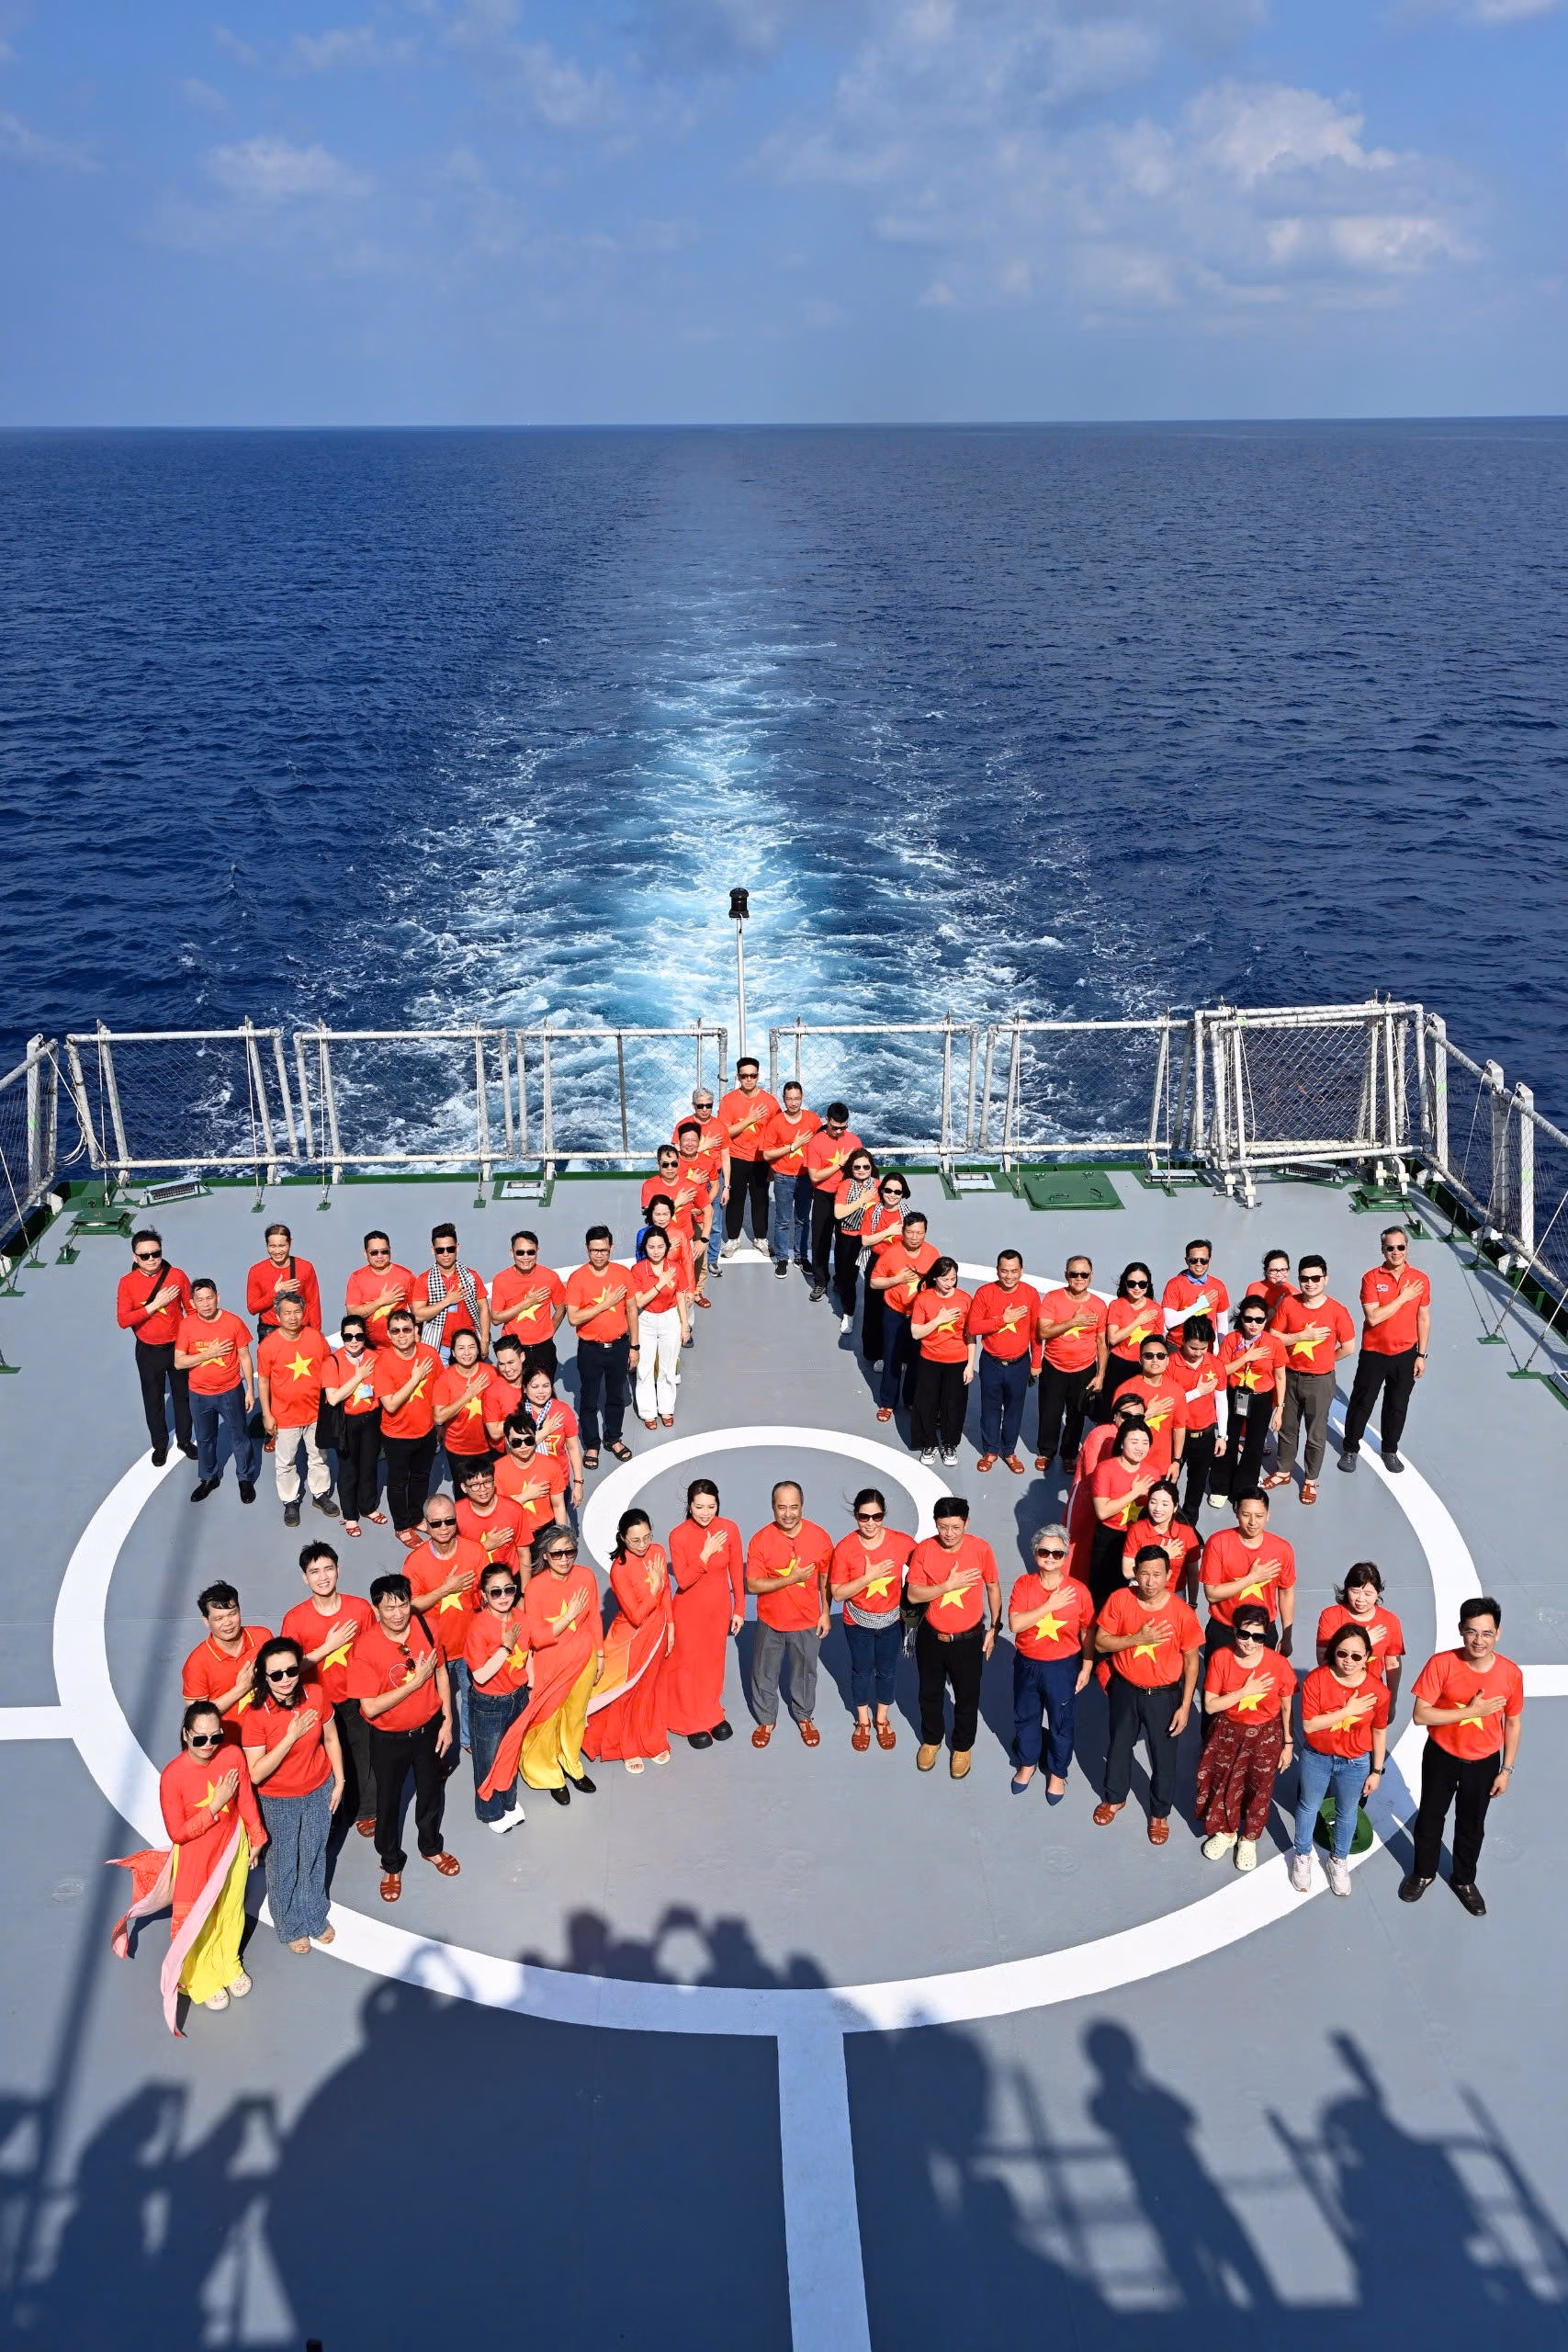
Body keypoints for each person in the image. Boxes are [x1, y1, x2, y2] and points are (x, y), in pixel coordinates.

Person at [119, 1702, 266, 2029]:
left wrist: (256, 1835)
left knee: (230, 1910)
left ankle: (228, 1963)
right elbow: (178, 1833)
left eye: (216, 1736)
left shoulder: (232, 1755)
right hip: (197, 1859)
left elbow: (245, 1798)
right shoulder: (173, 1777)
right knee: (199, 1918)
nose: (208, 1745)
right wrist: (215, 1805)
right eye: (200, 1738)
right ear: (186, 1735)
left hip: (233, 1846)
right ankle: (199, 1978)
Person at [1401, 1597, 1524, 1916]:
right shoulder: (1441, 1664)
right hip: (1441, 1757)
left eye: (1487, 1633)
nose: (1479, 1640)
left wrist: (1507, 1769)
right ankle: (1423, 1872)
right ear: (1460, 1630)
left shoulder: (1510, 1674)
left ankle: (1464, 1880)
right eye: (1472, 1632)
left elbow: (1512, 1723)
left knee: (1472, 1825)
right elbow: (1420, 1715)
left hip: (1484, 1763)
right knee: (1430, 1817)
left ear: (1498, 1634)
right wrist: (1471, 1712)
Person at [348, 1573, 459, 1902]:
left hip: (428, 1731)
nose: (398, 1614)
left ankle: (431, 1847)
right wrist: (414, 1684)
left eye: (403, 1605)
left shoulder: (428, 1627)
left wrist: (447, 1721)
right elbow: (369, 1707)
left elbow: (441, 1672)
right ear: (376, 1609)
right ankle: (391, 1863)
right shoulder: (364, 1648)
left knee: (431, 1793)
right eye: (389, 1608)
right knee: (388, 1802)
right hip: (389, 1739)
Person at [477, 1530, 604, 1807]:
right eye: (557, 1553)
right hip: (551, 1663)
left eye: (570, 1552)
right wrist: (568, 1616)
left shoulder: (586, 1576)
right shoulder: (535, 1588)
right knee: (547, 1719)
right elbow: (537, 1637)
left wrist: (600, 1655)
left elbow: (594, 1617)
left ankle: (571, 1763)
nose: (564, 1559)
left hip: (584, 1659)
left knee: (575, 1717)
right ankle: (549, 1774)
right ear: (545, 1556)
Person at [1093, 1546, 1202, 1845]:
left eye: (1157, 1574)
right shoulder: (1120, 1599)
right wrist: (1138, 1639)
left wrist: (1185, 1706)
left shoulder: (1182, 1613)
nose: (1150, 1581)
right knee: (1118, 1746)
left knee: (1164, 1757)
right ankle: (1115, 1797)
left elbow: (1192, 1662)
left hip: (1164, 1697)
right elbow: (1101, 1642)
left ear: (1169, 1575)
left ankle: (1159, 1813)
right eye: (1144, 1573)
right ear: (1135, 1573)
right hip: (1125, 1690)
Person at [243, 1637, 344, 1955]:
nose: (285, 1679)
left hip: (318, 1789)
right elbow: (256, 1773)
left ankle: (314, 1914)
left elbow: (331, 1738)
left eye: (291, 1671)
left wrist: (340, 1780)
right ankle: (289, 1924)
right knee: (283, 1862)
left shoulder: (315, 1694)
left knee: (314, 1853)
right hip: (278, 1801)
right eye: (276, 1675)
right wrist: (290, 1737)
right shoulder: (255, 1716)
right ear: (264, 1677)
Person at [281, 1543, 378, 1838]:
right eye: (314, 1571)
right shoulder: (295, 1619)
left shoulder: (360, 1609)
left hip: (355, 1697)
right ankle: (331, 1814)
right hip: (315, 1703)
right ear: (304, 1578)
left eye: (328, 1569)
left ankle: (365, 1810)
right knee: (322, 1761)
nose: (322, 1577)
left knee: (362, 1754)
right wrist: (329, 1647)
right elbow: (289, 1668)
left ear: (338, 1570)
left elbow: (374, 1650)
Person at [906, 1497, 1001, 1780]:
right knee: (929, 1693)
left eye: (956, 1527)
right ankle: (932, 1740)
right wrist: (948, 1585)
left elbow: (993, 1587)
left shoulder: (981, 1549)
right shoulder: (924, 1550)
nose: (949, 1533)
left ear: (966, 1523)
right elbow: (913, 1594)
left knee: (967, 1696)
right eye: (943, 1527)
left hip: (968, 1640)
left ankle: (962, 1747)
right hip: (931, 1638)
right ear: (936, 1523)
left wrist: (994, 1628)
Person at [1292, 1623, 1389, 1896]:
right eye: (1342, 1653)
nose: (1349, 1661)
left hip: (1355, 1762)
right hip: (1317, 1757)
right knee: (1308, 1806)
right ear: (1333, 1652)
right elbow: (1309, 1725)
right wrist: (1348, 1711)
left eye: (1357, 1656)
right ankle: (1302, 1855)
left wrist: (1376, 1771)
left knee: (1347, 1812)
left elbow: (1379, 1731)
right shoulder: (1316, 1680)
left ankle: (1338, 1860)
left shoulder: (1378, 1691)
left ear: (1367, 1656)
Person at [1195, 1605, 1295, 1869]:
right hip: (1228, 1732)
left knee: (1259, 1788)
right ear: (1234, 1631)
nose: (1250, 1642)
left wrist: (1288, 1743)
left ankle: (1249, 1838)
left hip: (1265, 1735)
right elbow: (1210, 1706)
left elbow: (1287, 1708)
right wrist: (1244, 1692)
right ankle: (1227, 1832)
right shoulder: (1221, 1658)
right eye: (1244, 1634)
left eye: (1258, 1637)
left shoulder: (1278, 1664)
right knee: (1224, 1782)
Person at [583, 1510, 675, 1773]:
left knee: (651, 1689)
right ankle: (628, 1746)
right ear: (623, 1538)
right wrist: (654, 1587)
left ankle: (652, 1739)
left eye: (647, 1537)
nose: (643, 1545)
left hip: (658, 1632)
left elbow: (667, 1593)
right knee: (627, 1692)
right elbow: (635, 1616)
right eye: (635, 1540)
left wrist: (671, 1626)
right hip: (630, 1639)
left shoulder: (658, 1552)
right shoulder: (619, 1568)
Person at [1007, 1524, 1093, 1799]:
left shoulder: (1079, 1591)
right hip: (1027, 1663)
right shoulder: (1024, 1585)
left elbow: (1087, 1630)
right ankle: (1027, 1763)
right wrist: (1049, 1606)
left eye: (1057, 1553)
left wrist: (1087, 1665)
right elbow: (1016, 1624)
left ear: (1065, 1556)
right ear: (1035, 1553)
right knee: (1026, 1716)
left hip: (1062, 1667)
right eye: (1044, 1552)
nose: (1051, 1558)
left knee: (1061, 1721)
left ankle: (1057, 1772)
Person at [746, 1481, 832, 1748]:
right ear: (773, 1507)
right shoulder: (760, 1540)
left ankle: (804, 1716)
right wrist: (791, 1579)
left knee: (805, 1673)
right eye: (781, 1507)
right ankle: (766, 1720)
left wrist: (826, 1612)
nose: (788, 1514)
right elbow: (753, 1585)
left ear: (802, 1505)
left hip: (807, 1621)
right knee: (764, 1672)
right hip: (770, 1621)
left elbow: (825, 1578)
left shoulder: (820, 1537)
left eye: (794, 1507)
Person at [1341, 1225, 1432, 1476]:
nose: (1396, 1252)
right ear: (1383, 1250)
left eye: (1400, 1247)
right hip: (1374, 1353)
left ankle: (1390, 1450)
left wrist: (1421, 1355)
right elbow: (1373, 1318)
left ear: (1407, 1248)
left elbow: (1423, 1318)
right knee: (1362, 1402)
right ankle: (1350, 1448)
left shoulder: (1421, 1280)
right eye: (1390, 1248)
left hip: (1406, 1354)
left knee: (1397, 1405)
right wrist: (1403, 1297)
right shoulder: (1371, 1278)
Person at [829, 1488, 914, 1753]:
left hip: (891, 1622)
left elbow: (926, 1563)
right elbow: (837, 1593)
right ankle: (863, 1721)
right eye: (863, 1517)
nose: (870, 1523)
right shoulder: (845, 1548)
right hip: (857, 1624)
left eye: (876, 1516)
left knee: (887, 1671)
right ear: (855, 1516)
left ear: (884, 1515)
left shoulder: (901, 1543)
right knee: (862, 1671)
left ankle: (882, 1719)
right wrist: (868, 1577)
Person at [1269, 1255, 1355, 1504]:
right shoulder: (1289, 1304)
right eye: (1305, 1278)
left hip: (1320, 1381)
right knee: (1287, 1427)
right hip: (1290, 1376)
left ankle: (1310, 1480)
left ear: (1325, 1280)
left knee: (1316, 1432)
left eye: (1316, 1278)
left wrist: (1326, 1360)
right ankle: (1284, 1471)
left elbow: (1349, 1347)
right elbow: (1274, 1337)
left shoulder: (1337, 1311)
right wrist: (1301, 1337)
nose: (1310, 1283)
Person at [665, 1478, 745, 1747]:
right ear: (689, 1506)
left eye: (711, 1506)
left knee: (713, 1664)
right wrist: (705, 1554)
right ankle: (689, 1719)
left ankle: (711, 1713)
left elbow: (736, 1572)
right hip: (688, 1611)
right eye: (699, 1507)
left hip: (718, 1609)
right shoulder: (678, 1535)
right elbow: (684, 1580)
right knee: (689, 1666)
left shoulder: (730, 1529)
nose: (705, 1513)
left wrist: (739, 1608)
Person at [404, 1496, 485, 1746]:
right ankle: (438, 1743)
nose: (443, 1528)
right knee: (434, 1700)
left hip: (470, 1645)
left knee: (472, 1695)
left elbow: (487, 1594)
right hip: (434, 1650)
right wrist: (445, 1590)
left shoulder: (475, 1552)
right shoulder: (415, 1562)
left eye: (449, 1521)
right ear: (426, 1524)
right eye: (436, 1523)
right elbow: (409, 1606)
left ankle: (468, 1740)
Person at [256, 1289, 337, 1529]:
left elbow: (329, 1366)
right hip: (285, 1416)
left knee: (319, 1456)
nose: (293, 1317)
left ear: (304, 1313)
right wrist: (267, 1414)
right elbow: (263, 1381)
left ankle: (320, 1495)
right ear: (277, 1316)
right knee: (286, 1461)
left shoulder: (316, 1338)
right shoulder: (268, 1346)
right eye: (287, 1313)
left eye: (297, 1312)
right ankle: (290, 1500)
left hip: (316, 1412)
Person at [175, 1280, 258, 1506]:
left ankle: (245, 1479)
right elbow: (179, 1362)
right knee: (204, 1438)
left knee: (240, 1436)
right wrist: (208, 1354)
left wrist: (250, 1390)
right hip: (199, 1394)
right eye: (200, 1300)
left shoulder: (233, 1322)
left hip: (230, 1391)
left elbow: (245, 1357)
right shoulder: (187, 1325)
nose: (206, 1304)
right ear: (192, 1303)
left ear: (217, 1297)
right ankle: (209, 1478)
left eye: (209, 1298)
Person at [117, 1227, 195, 1465]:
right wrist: (155, 1304)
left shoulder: (177, 1276)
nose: (151, 1259)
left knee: (183, 1396)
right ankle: (160, 1445)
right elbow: (123, 1320)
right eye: (144, 1256)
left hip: (178, 1347)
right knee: (153, 1400)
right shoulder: (127, 1283)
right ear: (135, 1257)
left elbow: (191, 1310)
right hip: (148, 1350)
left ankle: (184, 1440)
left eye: (156, 1253)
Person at [464, 1563, 530, 1832]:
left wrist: (531, 1688)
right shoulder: (478, 1627)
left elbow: (529, 1655)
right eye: (495, 1592)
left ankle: (509, 1801)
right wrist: (505, 1646)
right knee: (488, 1761)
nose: (503, 1596)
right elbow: (480, 1675)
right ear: (484, 1595)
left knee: (510, 1754)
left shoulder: (522, 1617)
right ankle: (490, 1810)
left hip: (518, 1698)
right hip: (488, 1705)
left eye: (509, 1589)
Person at [565, 1227, 637, 1466]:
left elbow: (631, 1310)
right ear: (587, 1249)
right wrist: (606, 1304)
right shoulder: (578, 1278)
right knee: (588, 1398)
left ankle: (614, 1438)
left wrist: (635, 1346)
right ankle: (592, 1444)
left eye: (603, 1250)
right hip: (590, 1349)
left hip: (619, 1346)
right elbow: (573, 1318)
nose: (599, 1255)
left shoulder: (623, 1274)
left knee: (616, 1395)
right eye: (594, 1250)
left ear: (611, 1248)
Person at [369, 1308, 442, 1543]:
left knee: (421, 1476)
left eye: (406, 1329)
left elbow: (440, 1389)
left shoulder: (429, 1354)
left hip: (427, 1431)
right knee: (398, 1483)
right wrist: (415, 1378)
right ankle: (402, 1526)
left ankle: (417, 1516)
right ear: (388, 1335)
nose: (401, 1335)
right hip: (397, 1436)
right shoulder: (383, 1364)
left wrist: (440, 1425)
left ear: (415, 1331)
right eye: (396, 1331)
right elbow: (390, 1405)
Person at [1199, 1490, 1296, 1664]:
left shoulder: (1282, 1549)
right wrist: (1252, 1578)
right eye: (1246, 1515)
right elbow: (1212, 1594)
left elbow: (1286, 1592)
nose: (1252, 1522)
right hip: (1224, 1629)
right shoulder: (1218, 1543)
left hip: (1263, 1632)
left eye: (1259, 1516)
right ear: (1236, 1513)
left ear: (1268, 1515)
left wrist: (1287, 1635)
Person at [968, 1249, 1042, 1475]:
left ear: (1022, 1271)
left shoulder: (1030, 1294)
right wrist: (1003, 1320)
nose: (1009, 1276)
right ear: (997, 1270)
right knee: (990, 1408)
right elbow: (973, 1327)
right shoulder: (984, 1293)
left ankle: (1009, 1451)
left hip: (1020, 1364)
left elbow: (1035, 1332)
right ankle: (990, 1450)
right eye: (1004, 1271)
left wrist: (1036, 1362)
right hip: (991, 1363)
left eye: (1014, 1271)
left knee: (1014, 1409)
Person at [1033, 1256, 1108, 1475]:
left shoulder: (1098, 1305)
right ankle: (1046, 1452)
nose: (1079, 1278)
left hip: (1084, 1370)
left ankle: (1069, 1454)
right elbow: (1043, 1332)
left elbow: (1101, 1342)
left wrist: (1100, 1375)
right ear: (1066, 1275)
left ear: (1091, 1276)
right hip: (1054, 1367)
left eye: (1084, 1274)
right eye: (1074, 1274)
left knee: (1077, 1415)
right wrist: (1073, 1322)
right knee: (1050, 1413)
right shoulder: (1053, 1299)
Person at [1066, 1393, 1146, 1577]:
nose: (1132, 1421)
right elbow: (1092, 1475)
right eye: (1126, 1416)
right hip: (1087, 1503)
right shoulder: (1100, 1435)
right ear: (1115, 1415)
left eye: (1139, 1418)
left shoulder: (1137, 1437)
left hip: (1115, 1504)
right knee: (1076, 1551)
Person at [1216, 1296, 1285, 1504]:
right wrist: (1245, 1358)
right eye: (1248, 1319)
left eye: (1259, 1319)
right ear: (1241, 1319)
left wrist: (1279, 1409)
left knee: (1254, 1446)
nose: (1253, 1324)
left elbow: (1280, 1377)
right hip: (1235, 1395)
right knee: (1229, 1440)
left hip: (1261, 1399)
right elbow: (1221, 1371)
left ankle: (1244, 1489)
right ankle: (1221, 1486)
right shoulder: (1232, 1340)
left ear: (1265, 1320)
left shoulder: (1274, 1344)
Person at [871, 1210, 938, 1420]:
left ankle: (910, 1399)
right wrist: (896, 1280)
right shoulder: (891, 1254)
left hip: (921, 1316)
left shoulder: (933, 1254)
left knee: (918, 1359)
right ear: (903, 1231)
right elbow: (874, 1282)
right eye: (910, 1232)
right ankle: (887, 1402)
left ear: (925, 1233)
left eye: (919, 1232)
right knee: (892, 1358)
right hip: (895, 1313)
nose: (914, 1237)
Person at [181, 1583, 271, 1739]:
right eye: (219, 1618)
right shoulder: (197, 1662)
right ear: (206, 1621)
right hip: (228, 1742)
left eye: (232, 1614)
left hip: (269, 1733)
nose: (228, 1622)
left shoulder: (262, 1637)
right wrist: (242, 1688)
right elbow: (196, 1717)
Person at [321, 1314, 384, 1535]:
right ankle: (350, 1515)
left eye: (358, 1336)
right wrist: (359, 1377)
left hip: (371, 1419)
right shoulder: (332, 1362)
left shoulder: (375, 1358)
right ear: (342, 1337)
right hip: (346, 1422)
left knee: (369, 1466)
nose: (354, 1341)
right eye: (348, 1336)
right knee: (348, 1469)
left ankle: (368, 1506)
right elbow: (333, 1398)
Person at [909, 1256, 974, 1468]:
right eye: (945, 1279)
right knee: (926, 1403)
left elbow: (970, 1335)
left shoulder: (965, 1299)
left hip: (958, 1360)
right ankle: (928, 1443)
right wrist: (939, 1320)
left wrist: (970, 1365)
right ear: (935, 1278)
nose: (949, 1283)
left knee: (954, 1405)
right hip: (930, 1359)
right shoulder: (923, 1299)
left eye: (953, 1279)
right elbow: (916, 1333)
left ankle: (949, 1444)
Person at [1088, 1420, 1158, 1607]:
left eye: (1145, 1442)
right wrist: (1135, 1493)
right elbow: (1102, 1512)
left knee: (1130, 1593)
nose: (1140, 1447)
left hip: (1138, 1538)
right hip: (1108, 1537)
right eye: (1134, 1442)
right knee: (1101, 1591)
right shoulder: (1105, 1469)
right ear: (1121, 1443)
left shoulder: (1153, 1473)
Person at [1317, 1562, 1404, 1703]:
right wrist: (1363, 1641)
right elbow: (1323, 1661)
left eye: (1368, 1594)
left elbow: (1392, 1665)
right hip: (1336, 1697)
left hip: (1372, 1697)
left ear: (1377, 1593)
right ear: (1346, 1590)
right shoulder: (1331, 1616)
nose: (1361, 1599)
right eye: (1355, 1591)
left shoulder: (1390, 1621)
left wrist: (1392, 1701)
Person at [629, 1226, 688, 1427]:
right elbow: (639, 1302)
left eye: (660, 1246)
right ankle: (648, 1412)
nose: (656, 1251)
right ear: (645, 1248)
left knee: (668, 1367)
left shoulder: (675, 1268)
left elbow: (680, 1297)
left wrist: (685, 1325)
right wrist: (660, 1283)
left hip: (670, 1319)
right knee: (644, 1368)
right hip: (645, 1320)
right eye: (651, 1247)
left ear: (667, 1247)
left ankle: (666, 1408)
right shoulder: (638, 1270)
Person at [761, 1080, 820, 1280]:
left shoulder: (813, 1120)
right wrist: (793, 1146)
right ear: (784, 1100)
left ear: (802, 1098)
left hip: (806, 1178)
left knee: (803, 1219)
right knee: (783, 1221)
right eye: (789, 1099)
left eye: (796, 1099)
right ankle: (782, 1259)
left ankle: (801, 1257)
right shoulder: (776, 1122)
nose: (793, 1103)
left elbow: (821, 1146)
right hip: (783, 1178)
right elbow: (767, 1154)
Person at [718, 1057, 778, 1251]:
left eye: (753, 1075)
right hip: (736, 1157)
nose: (749, 1079)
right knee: (735, 1200)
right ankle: (733, 1239)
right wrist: (749, 1120)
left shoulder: (770, 1102)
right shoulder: (729, 1101)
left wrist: (773, 1164)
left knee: (760, 1200)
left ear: (758, 1076)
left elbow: (777, 1134)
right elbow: (724, 1132)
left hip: (761, 1159)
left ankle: (760, 1238)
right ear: (738, 1077)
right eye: (744, 1076)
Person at [489, 1230, 567, 1381]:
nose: (526, 1257)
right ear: (512, 1252)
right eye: (520, 1252)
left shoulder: (550, 1277)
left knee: (544, 1392)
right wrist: (527, 1303)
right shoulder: (501, 1279)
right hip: (514, 1350)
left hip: (544, 1349)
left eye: (530, 1252)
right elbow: (496, 1319)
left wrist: (549, 1331)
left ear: (538, 1251)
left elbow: (561, 1308)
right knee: (514, 1393)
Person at [433, 1326, 504, 1489]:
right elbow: (439, 1416)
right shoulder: (445, 1379)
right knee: (464, 1494)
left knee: (491, 1490)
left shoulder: (492, 1373)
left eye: (471, 1347)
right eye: (461, 1348)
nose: (467, 1352)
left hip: (491, 1447)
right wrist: (468, 1395)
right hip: (459, 1451)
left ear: (478, 1350)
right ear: (453, 1352)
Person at [1167, 1316, 1222, 1522]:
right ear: (1183, 1341)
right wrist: (1197, 1392)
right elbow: (1169, 1402)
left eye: (1203, 1348)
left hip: (1205, 1435)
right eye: (1193, 1348)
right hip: (1176, 1435)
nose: (1198, 1353)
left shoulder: (1215, 1364)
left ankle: (1189, 1525)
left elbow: (1221, 1399)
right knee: (1168, 1480)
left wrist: (1222, 1435)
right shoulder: (1170, 1364)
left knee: (1197, 1485)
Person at [804, 1103, 862, 1301]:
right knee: (821, 1240)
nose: (839, 1132)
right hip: (824, 1196)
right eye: (835, 1127)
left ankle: (841, 1280)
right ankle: (821, 1281)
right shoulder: (816, 1143)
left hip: (847, 1197)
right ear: (827, 1120)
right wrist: (839, 1164)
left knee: (845, 1241)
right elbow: (815, 1176)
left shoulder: (854, 1141)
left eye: (843, 1128)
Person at [493, 1416, 570, 1563]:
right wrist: (526, 1496)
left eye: (528, 1440)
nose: (523, 1446)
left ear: (535, 1438)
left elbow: (558, 1505)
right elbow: (499, 1511)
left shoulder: (551, 1466)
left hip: (545, 1534)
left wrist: (562, 1537)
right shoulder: (497, 1470)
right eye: (516, 1442)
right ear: (508, 1441)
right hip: (511, 1535)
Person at [412, 1222, 491, 1358]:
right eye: (440, 1250)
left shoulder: (471, 1277)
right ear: (433, 1250)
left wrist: (484, 1340)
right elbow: (418, 1315)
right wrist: (447, 1301)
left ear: (457, 1248)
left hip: (469, 1346)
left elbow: (484, 1308)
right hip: (438, 1347)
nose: (446, 1254)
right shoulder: (424, 1280)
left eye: (450, 1249)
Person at [854, 1172, 909, 1364]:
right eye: (888, 1190)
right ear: (882, 1190)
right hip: (877, 1262)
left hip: (900, 1263)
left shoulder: (908, 1215)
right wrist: (889, 1231)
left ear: (903, 1193)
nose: (892, 1195)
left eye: (897, 1192)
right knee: (874, 1308)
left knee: (900, 1309)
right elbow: (865, 1240)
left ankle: (899, 1353)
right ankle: (875, 1353)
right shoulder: (872, 1211)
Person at [1118, 1334, 1188, 1482]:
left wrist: (1176, 1461)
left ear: (1167, 1360)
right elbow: (1118, 1429)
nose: (1155, 1360)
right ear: (1140, 1359)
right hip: (1130, 1466)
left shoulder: (1177, 1390)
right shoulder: (1125, 1390)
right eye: (1149, 1356)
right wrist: (1147, 1414)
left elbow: (1179, 1427)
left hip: (1162, 1467)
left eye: (1161, 1356)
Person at [677, 1088, 729, 1285]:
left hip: (712, 1179)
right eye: (701, 1106)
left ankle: (711, 1260)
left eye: (709, 1105)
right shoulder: (683, 1126)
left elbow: (726, 1157)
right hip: (686, 1182)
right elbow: (676, 1153)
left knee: (713, 1223)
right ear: (694, 1106)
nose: (705, 1109)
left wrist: (726, 1186)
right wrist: (704, 1146)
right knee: (685, 1222)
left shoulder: (719, 1127)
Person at [1122, 1476, 1201, 1605]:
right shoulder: (1137, 1530)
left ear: (1175, 1507)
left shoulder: (1187, 1534)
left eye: (1165, 1504)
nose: (1158, 1508)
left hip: (1174, 1594)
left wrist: (1192, 1603)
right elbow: (1127, 1571)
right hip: (1141, 1591)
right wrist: (1162, 1555)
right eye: (1153, 1502)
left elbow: (1193, 1574)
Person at [829, 1148, 883, 1334]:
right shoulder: (845, 1185)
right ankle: (848, 1313)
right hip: (849, 1238)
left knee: (873, 1278)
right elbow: (839, 1213)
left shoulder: (879, 1185)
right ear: (851, 1168)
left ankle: (874, 1315)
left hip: (871, 1238)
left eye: (866, 1167)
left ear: (871, 1167)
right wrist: (861, 1200)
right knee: (848, 1279)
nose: (861, 1170)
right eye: (857, 1167)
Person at [1100, 1264, 1164, 1415]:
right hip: (1118, 1364)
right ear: (1125, 1283)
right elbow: (1113, 1338)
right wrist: (1138, 1321)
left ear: (1148, 1285)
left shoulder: (1156, 1309)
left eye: (1142, 1284)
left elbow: (1158, 1342)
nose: (1137, 1288)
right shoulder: (1117, 1305)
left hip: (1143, 1366)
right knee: (1111, 1409)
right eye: (1132, 1283)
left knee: (1139, 1409)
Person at [245, 1223, 321, 1351]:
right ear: (267, 1245)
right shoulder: (256, 1271)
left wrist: (316, 1335)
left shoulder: (305, 1267)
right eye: (272, 1246)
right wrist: (275, 1292)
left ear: (290, 1243)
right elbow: (252, 1308)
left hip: (300, 1330)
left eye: (282, 1246)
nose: (277, 1251)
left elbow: (313, 1303)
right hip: (270, 1331)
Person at [522, 1364, 585, 1511]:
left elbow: (573, 1448)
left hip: (558, 1481)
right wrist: (545, 1432)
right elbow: (515, 1450)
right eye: (535, 1386)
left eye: (546, 1385)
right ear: (524, 1388)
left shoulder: (562, 1410)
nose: (541, 1391)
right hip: (527, 1484)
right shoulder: (518, 1413)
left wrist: (578, 1483)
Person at [672, 1116, 722, 1303]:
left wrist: (703, 1207)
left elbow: (715, 1186)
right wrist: (691, 1181)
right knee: (675, 1254)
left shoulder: (708, 1161)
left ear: (699, 1141)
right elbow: (667, 1187)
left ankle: (698, 1291)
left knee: (700, 1256)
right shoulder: (672, 1162)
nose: (689, 1144)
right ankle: (676, 1289)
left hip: (699, 1217)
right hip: (677, 1218)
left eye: (693, 1140)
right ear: (679, 1142)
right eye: (685, 1140)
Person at [456, 1458, 530, 1574]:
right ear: (464, 1488)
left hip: (510, 1577)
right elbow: (453, 1556)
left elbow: (524, 1553)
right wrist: (485, 1547)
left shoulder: (514, 1509)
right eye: (475, 1485)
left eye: (487, 1482)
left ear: (494, 1482)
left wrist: (525, 1585)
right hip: (474, 1578)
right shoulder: (455, 1514)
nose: (482, 1489)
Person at [344, 1230, 415, 1350]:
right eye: (374, 1252)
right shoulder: (356, 1278)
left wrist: (417, 1336)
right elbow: (352, 1313)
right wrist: (381, 1301)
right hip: (367, 1348)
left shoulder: (406, 1276)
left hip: (400, 1348)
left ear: (390, 1251)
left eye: (384, 1251)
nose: (380, 1256)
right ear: (366, 1253)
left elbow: (417, 1313)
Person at [1161, 1239, 1230, 1335]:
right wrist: (1199, 1305)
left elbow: (1222, 1326)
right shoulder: (1174, 1284)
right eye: (1193, 1260)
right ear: (1186, 1260)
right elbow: (1169, 1322)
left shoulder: (1219, 1286)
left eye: (1203, 1260)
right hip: (1177, 1342)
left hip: (1207, 1343)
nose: (1198, 1264)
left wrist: (1222, 1345)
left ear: (1210, 1260)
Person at [1246, 1249, 1297, 1318]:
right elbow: (1253, 1320)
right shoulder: (1255, 1288)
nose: (1279, 1275)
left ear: (1288, 1270)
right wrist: (1276, 1307)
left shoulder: (1293, 1292)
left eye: (1283, 1270)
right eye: (1273, 1270)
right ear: (1266, 1271)